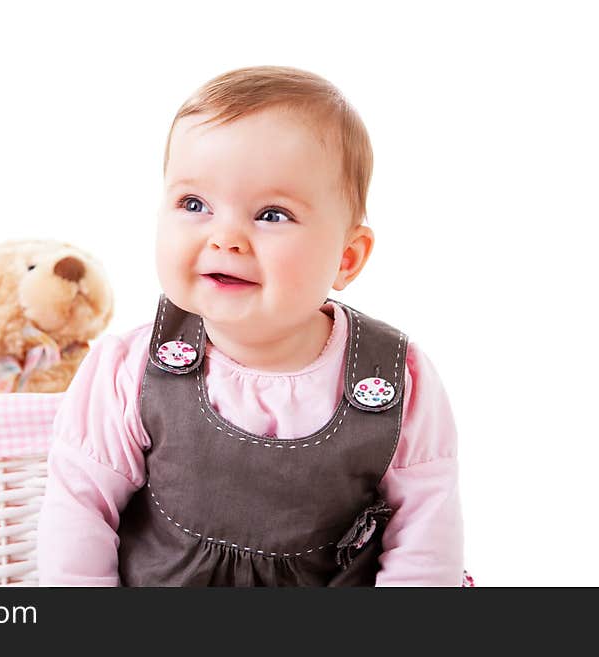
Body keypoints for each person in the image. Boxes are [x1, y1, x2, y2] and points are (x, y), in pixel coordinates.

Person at [36, 66, 464, 586]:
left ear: (347, 258)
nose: (226, 238)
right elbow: (79, 514)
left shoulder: (393, 381)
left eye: (272, 214)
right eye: (194, 204)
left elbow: (426, 539)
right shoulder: (131, 368)